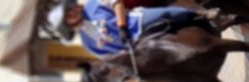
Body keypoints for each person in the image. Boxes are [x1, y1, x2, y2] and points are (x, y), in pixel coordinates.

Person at [45, 0, 208, 57]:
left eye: (69, 10)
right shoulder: (88, 43)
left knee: (165, 14)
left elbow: (116, 3)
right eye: (68, 17)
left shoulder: (92, 4)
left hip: (135, 24)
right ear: (68, 26)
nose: (72, 13)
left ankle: (205, 14)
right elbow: (110, 57)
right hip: (134, 50)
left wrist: (122, 26)